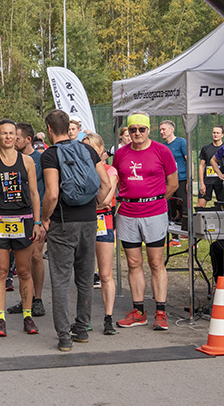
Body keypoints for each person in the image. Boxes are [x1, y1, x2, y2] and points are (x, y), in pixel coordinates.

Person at [41, 110, 110, 351]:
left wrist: (44, 219)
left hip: (63, 222)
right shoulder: (88, 150)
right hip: (89, 221)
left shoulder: (50, 155)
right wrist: (97, 204)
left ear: (49, 129)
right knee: (84, 278)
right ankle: (82, 329)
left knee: (60, 279)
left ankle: (63, 335)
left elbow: (51, 193)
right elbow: (106, 183)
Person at [113, 112, 178, 332]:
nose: (137, 133)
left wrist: (156, 201)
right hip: (128, 212)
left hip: (155, 212)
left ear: (148, 129)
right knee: (133, 263)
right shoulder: (121, 154)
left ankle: (160, 311)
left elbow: (173, 183)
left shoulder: (162, 150)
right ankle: (138, 311)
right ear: (128, 132)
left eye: (141, 129)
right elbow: (118, 181)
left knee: (156, 262)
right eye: (133, 130)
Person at [0, 119, 43, 337]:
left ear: (17, 137)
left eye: (11, 133)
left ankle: (27, 315)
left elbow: (34, 193)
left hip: (23, 219)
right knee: (1, 270)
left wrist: (36, 221)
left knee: (24, 271)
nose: (7, 137)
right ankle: (0, 318)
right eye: (3, 133)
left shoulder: (27, 162)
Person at [7, 122, 46, 318]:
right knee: (23, 261)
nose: (13, 141)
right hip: (16, 214)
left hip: (36, 216)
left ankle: (37, 299)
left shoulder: (41, 159)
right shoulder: (13, 158)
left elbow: (47, 188)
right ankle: (26, 300)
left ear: (28, 140)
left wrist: (44, 219)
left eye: (18, 138)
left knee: (36, 256)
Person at [82, 132, 118, 335]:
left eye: (91, 148)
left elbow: (105, 200)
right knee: (85, 274)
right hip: (84, 221)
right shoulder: (79, 169)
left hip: (104, 221)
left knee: (105, 274)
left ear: (100, 150)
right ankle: (84, 317)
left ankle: (108, 317)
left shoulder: (110, 170)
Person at [197, 125, 224, 208]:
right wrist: (202, 183)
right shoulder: (206, 148)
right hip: (208, 181)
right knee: (200, 206)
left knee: (223, 207)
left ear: (222, 135)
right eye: (214, 133)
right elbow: (201, 165)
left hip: (221, 181)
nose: (215, 134)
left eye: (218, 133)